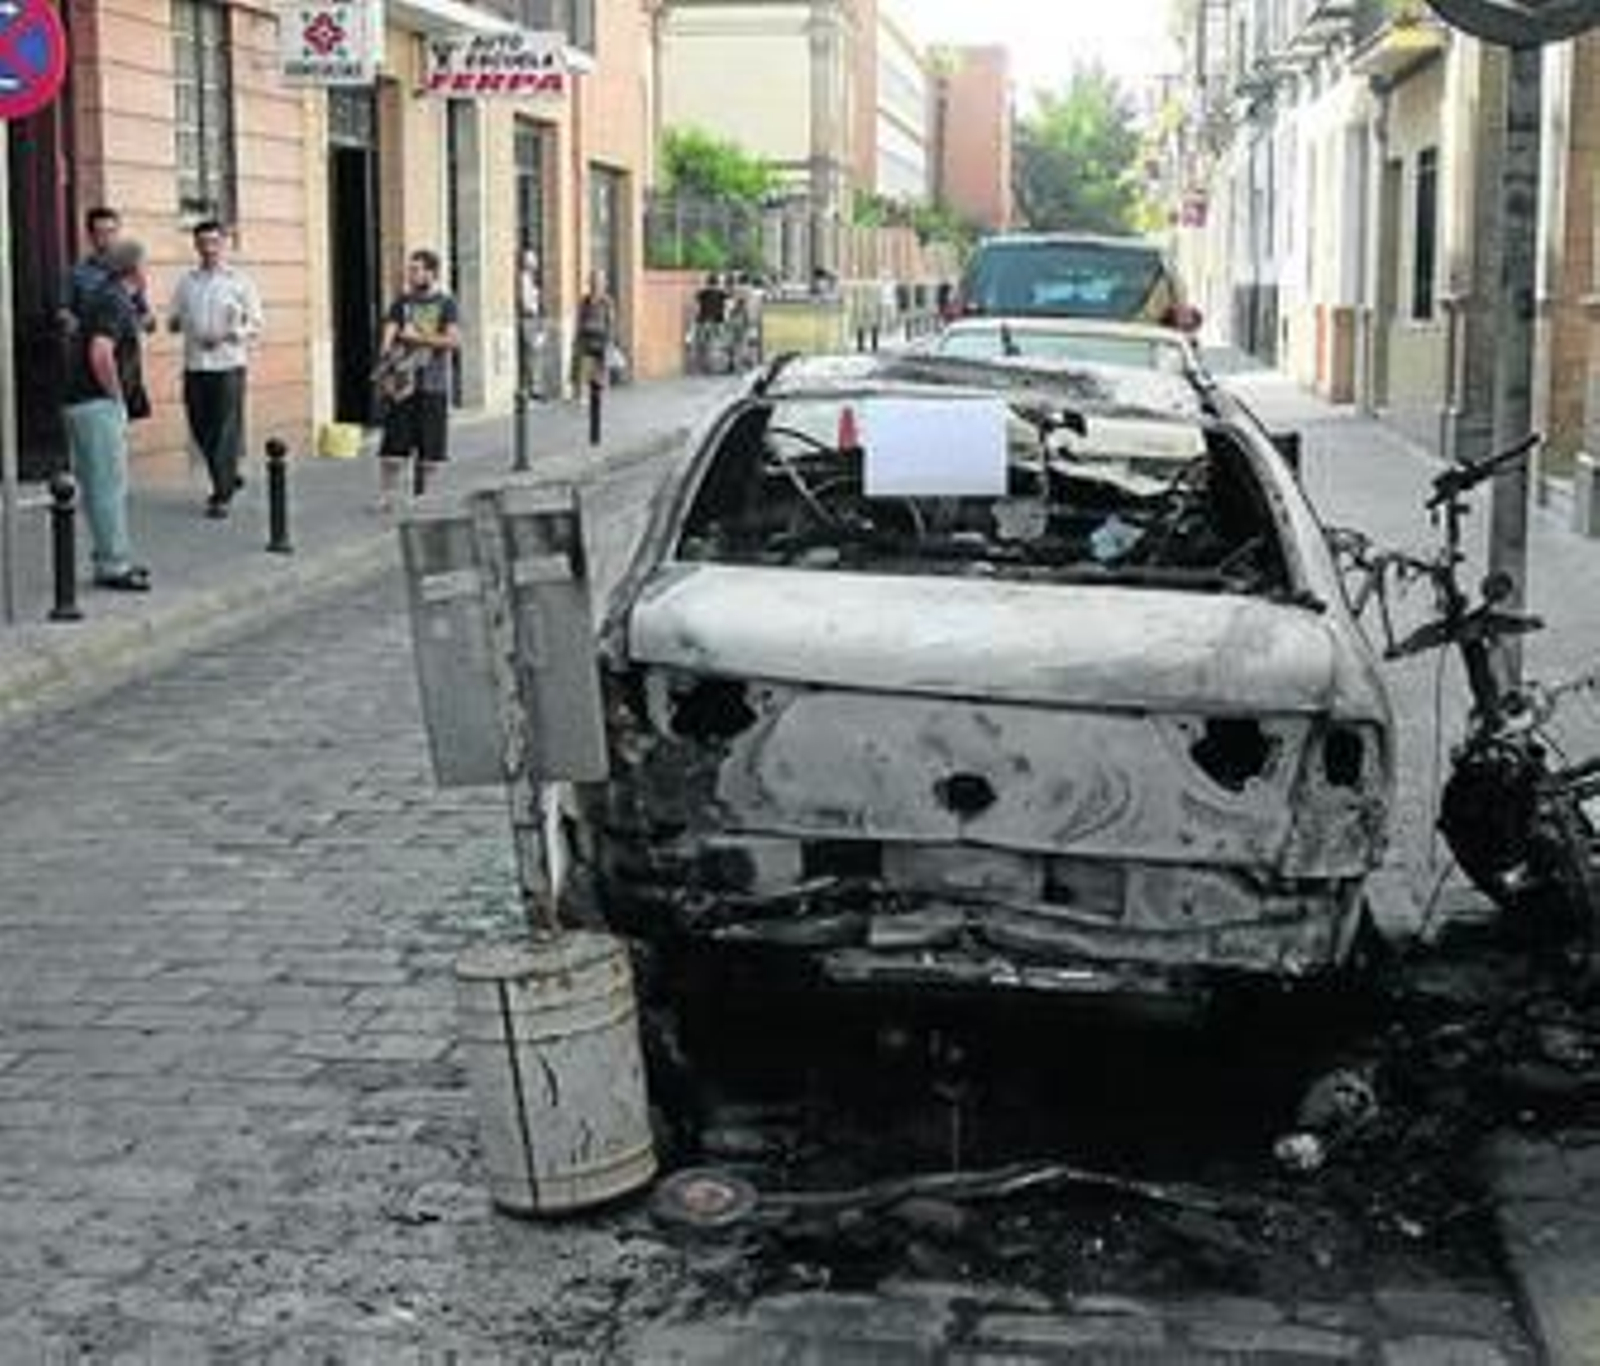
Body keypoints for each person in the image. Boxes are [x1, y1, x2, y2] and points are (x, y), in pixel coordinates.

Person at [62, 240, 153, 592]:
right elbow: (101, 353)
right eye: (145, 265)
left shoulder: (105, 296)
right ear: (135, 269)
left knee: (100, 484)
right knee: (107, 486)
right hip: (96, 402)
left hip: (83, 400)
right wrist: (117, 397)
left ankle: (109, 558)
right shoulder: (114, 300)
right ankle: (114, 565)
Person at [166, 220, 265, 518]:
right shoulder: (187, 282)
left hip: (228, 364)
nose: (208, 248)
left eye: (214, 242)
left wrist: (230, 335)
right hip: (195, 364)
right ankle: (228, 473)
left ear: (224, 244)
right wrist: (178, 324)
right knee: (199, 426)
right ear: (196, 246)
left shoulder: (240, 282)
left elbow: (256, 323)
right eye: (202, 243)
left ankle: (221, 495)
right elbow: (173, 320)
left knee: (225, 428)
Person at [376, 249, 460, 509]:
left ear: (431, 273)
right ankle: (388, 497)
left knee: (430, 452)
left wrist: (417, 338)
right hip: (403, 383)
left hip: (433, 383)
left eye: (416, 270)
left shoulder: (446, 304)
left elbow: (453, 341)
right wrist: (387, 361)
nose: (410, 274)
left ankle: (425, 499)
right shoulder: (401, 303)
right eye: (410, 269)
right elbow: (388, 337)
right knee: (393, 447)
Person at [59, 205, 154, 339]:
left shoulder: (130, 271)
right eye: (100, 232)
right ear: (90, 236)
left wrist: (145, 321)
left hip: (127, 346)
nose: (107, 237)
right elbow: (64, 311)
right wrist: (70, 322)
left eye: (111, 231)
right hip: (92, 344)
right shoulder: (77, 273)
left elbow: (144, 313)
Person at [571, 269, 616, 395]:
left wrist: (609, 343)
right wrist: (576, 341)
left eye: (599, 282)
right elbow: (579, 322)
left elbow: (610, 324)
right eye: (594, 282)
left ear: (604, 284)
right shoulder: (584, 302)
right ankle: (584, 394)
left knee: (598, 384)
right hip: (586, 345)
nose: (596, 285)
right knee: (586, 379)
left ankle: (597, 395)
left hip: (601, 345)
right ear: (590, 283)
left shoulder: (607, 302)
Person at [517, 248, 546, 399]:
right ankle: (530, 387)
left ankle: (534, 386)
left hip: (534, 319)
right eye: (532, 261)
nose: (535, 264)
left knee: (535, 354)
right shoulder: (523, 279)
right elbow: (525, 302)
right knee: (530, 354)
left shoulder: (533, 279)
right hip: (528, 318)